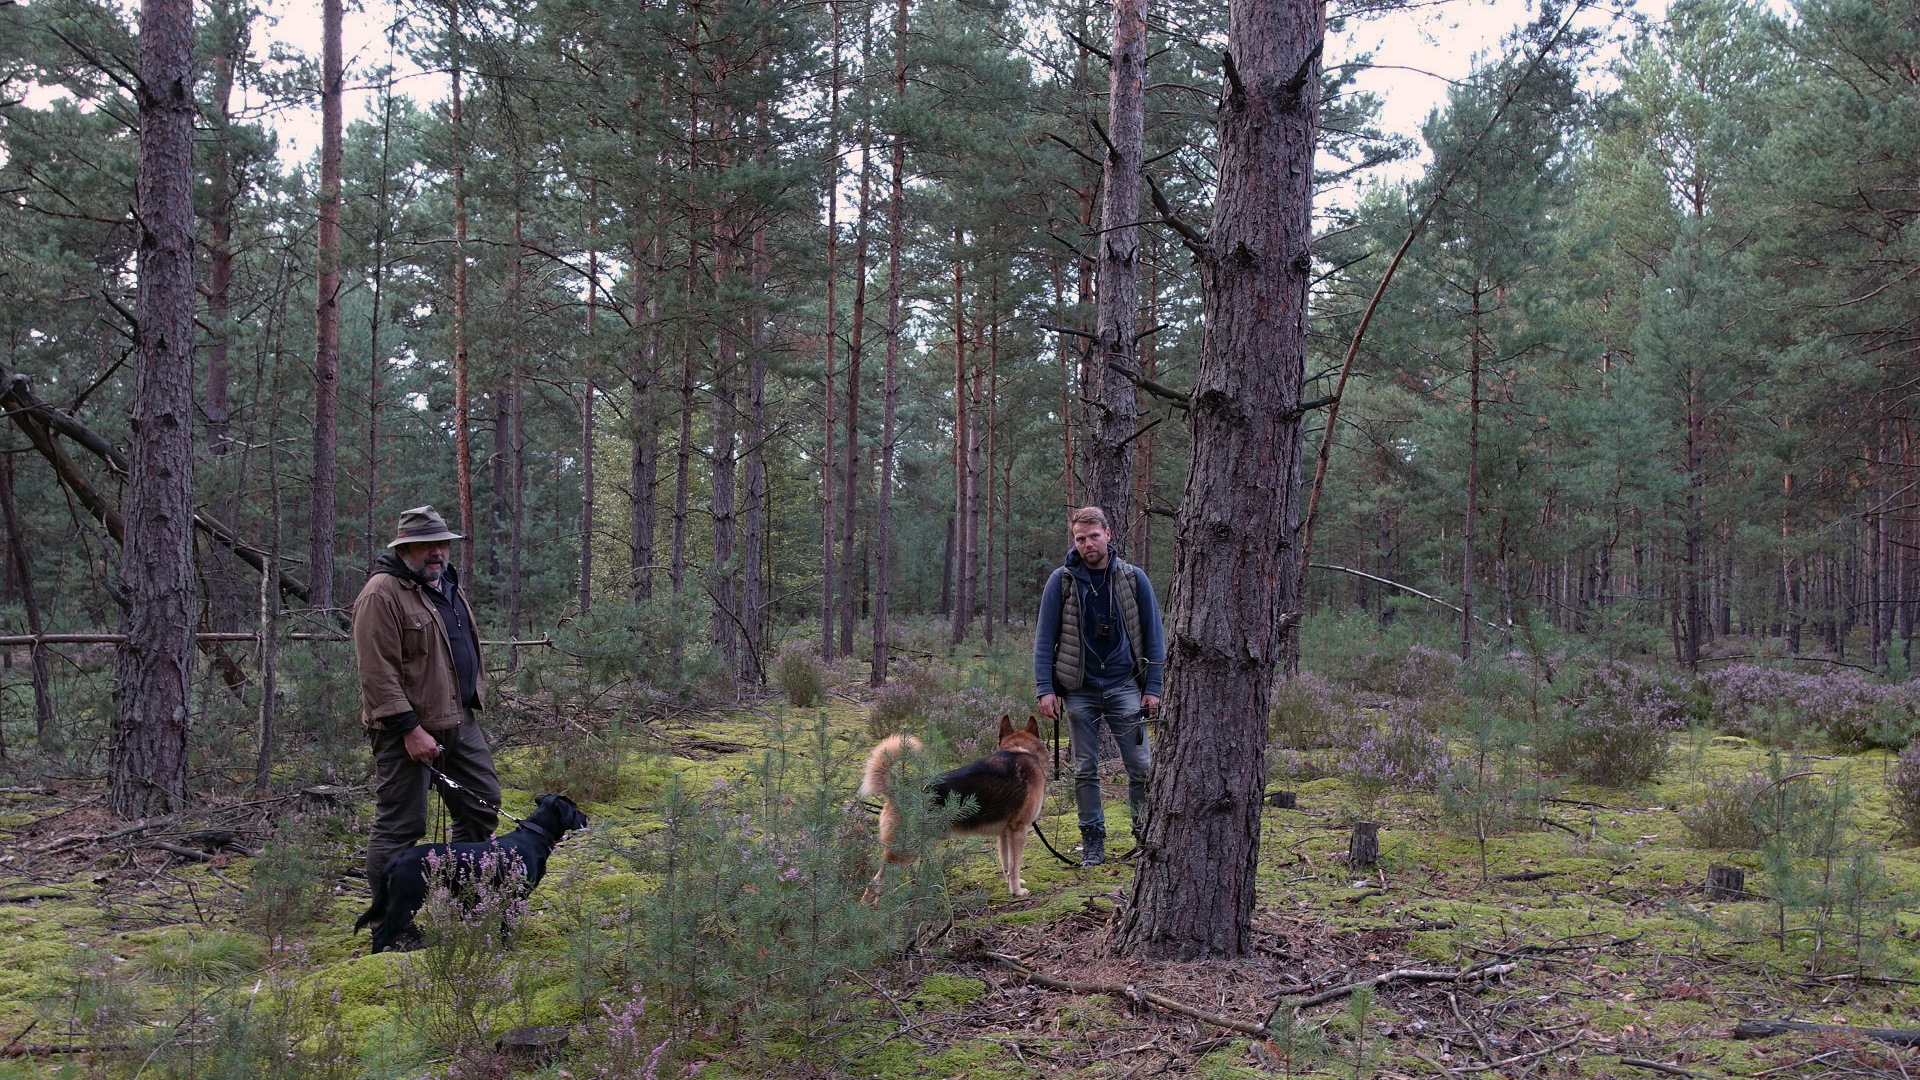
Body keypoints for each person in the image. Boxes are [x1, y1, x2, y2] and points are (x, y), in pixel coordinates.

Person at [352, 505, 500, 900]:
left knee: (481, 805)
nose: (436, 552)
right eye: (425, 545)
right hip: (405, 730)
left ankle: (465, 899)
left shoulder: (445, 585)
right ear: (404, 549)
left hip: (458, 720)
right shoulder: (381, 594)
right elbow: (377, 673)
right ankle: (391, 921)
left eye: (441, 544)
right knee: (402, 824)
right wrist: (410, 730)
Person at [1034, 506, 1166, 866]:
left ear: (1108, 534)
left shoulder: (1133, 579)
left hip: (1126, 686)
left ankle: (1144, 832)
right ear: (1074, 542)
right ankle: (1093, 840)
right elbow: (1045, 639)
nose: (1088, 544)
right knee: (1085, 768)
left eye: (1094, 536)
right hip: (1079, 689)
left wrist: (1152, 688)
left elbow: (1155, 637)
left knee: (1140, 766)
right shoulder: (1060, 581)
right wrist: (1045, 689)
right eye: (1080, 539)